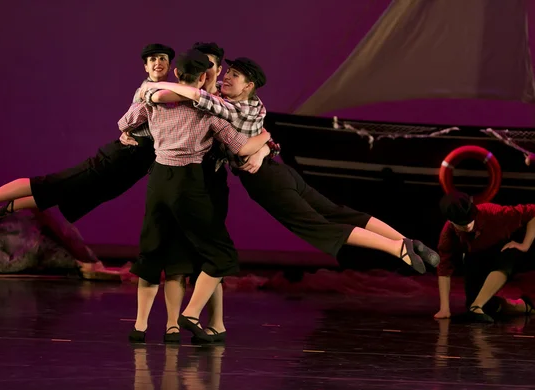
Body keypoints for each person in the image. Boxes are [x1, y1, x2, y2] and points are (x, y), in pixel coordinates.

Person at [141, 57, 440, 276]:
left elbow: (196, 95)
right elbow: (237, 116)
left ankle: (397, 249)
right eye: (227, 73)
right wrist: (266, 142)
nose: (225, 79)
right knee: (339, 212)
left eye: (234, 76)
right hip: (280, 172)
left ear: (249, 85)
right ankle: (407, 240)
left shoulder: (228, 107)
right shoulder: (256, 104)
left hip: (265, 181)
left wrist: (154, 85)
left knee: (321, 226)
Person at [117, 48, 271, 343]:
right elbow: (241, 148)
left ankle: (140, 326)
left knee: (152, 250)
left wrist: (136, 124)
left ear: (175, 73)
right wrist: (265, 139)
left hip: (159, 179)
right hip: (189, 183)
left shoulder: (153, 102)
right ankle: (185, 316)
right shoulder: (209, 113)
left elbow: (124, 124)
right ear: (203, 78)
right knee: (218, 253)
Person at [0, 43, 173, 223]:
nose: (158, 63)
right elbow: (130, 120)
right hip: (117, 159)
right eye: (152, 59)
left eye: (162, 58)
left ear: (170, 64)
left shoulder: (172, 92)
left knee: (76, 196)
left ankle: (14, 205)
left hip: (132, 167)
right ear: (145, 67)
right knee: (53, 184)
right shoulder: (150, 90)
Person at [435, 191, 535, 322]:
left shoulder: (491, 212)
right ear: (451, 222)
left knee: (476, 306)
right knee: (483, 306)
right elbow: (444, 268)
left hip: (504, 250)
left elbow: (532, 212)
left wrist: (525, 244)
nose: (467, 226)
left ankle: (477, 305)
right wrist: (444, 308)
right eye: (461, 224)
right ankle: (523, 306)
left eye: (469, 220)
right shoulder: (448, 233)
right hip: (477, 258)